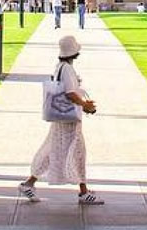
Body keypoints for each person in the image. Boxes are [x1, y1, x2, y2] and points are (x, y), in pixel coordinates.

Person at [19, 35, 103, 205]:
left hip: (60, 116)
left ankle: (29, 183)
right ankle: (83, 192)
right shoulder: (67, 69)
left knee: (52, 150)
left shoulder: (60, 66)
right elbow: (70, 93)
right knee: (77, 153)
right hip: (68, 119)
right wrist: (85, 105)